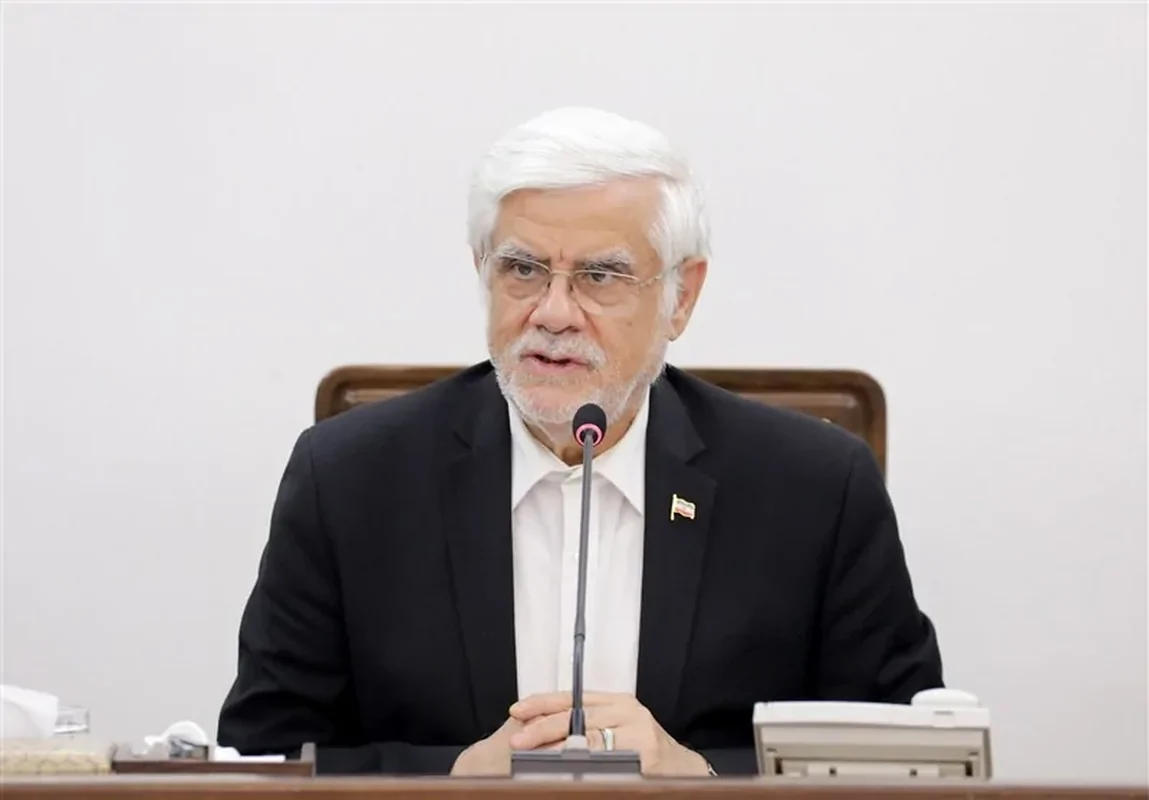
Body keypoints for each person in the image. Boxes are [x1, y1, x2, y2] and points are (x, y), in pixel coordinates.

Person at [217, 107, 943, 777]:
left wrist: (698, 778)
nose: (554, 313)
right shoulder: (350, 480)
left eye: (601, 275)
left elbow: (905, 767)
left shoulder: (814, 489)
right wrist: (454, 779)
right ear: (482, 274)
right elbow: (264, 757)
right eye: (522, 269)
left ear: (681, 297)